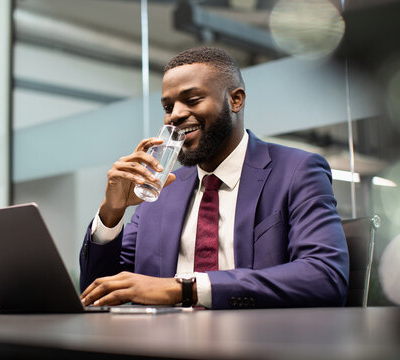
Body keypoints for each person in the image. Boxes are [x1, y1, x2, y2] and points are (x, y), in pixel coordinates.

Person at [79, 46, 349, 309]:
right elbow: (97, 293)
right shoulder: (161, 189)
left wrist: (185, 289)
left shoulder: (296, 170)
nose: (176, 115)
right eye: (168, 106)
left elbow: (325, 276)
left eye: (192, 100)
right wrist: (111, 214)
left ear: (236, 100)